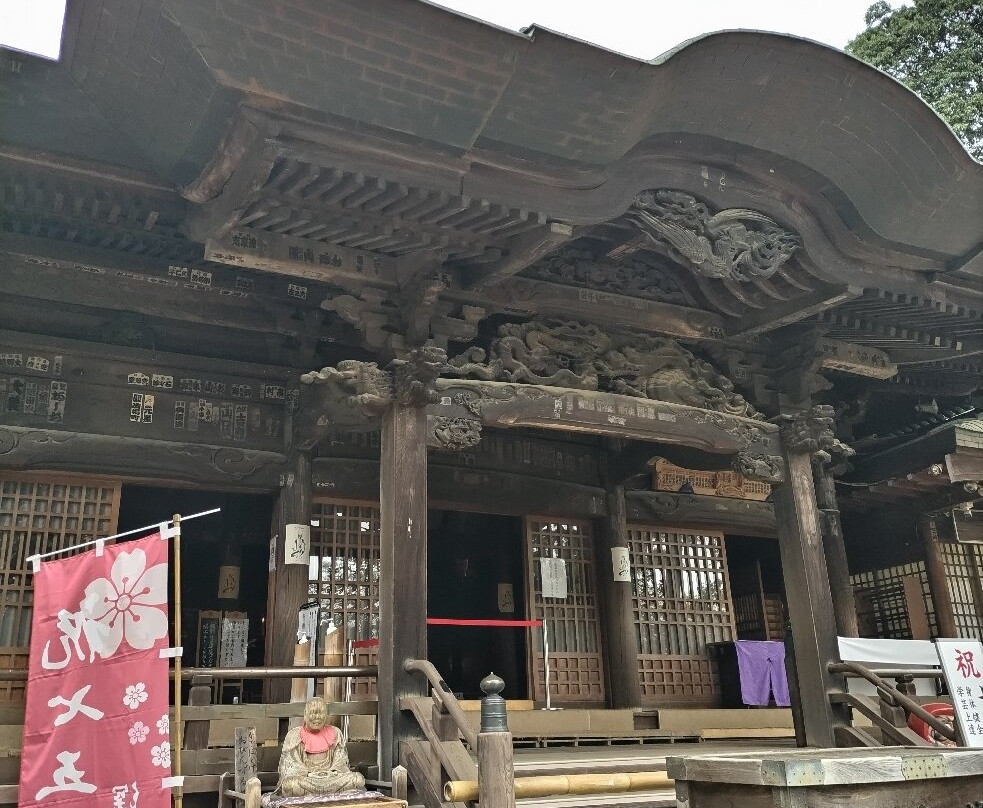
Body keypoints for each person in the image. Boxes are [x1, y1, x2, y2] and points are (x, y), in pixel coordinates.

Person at [277, 697, 366, 797]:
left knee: (357, 779)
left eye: (321, 714)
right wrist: (308, 773)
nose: (317, 717)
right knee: (290, 785)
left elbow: (341, 761)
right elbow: (291, 764)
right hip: (307, 779)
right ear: (305, 715)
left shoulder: (336, 733)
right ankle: (332, 793)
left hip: (331, 778)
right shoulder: (294, 735)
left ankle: (317, 793)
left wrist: (332, 772)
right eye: (313, 713)